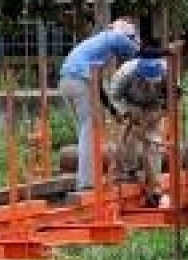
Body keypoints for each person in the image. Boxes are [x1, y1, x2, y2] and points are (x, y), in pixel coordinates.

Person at [59, 18, 140, 189]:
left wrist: (113, 111)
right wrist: (163, 53)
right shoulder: (115, 36)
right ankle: (87, 182)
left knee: (85, 131)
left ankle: (85, 178)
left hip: (66, 81)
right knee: (90, 131)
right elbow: (138, 51)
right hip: (79, 82)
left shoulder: (99, 47)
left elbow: (99, 88)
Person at [108, 57, 169, 206]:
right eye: (147, 81)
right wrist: (125, 114)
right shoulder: (125, 73)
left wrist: (161, 113)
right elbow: (113, 97)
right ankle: (130, 170)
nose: (150, 84)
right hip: (130, 104)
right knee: (128, 138)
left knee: (154, 143)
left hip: (154, 105)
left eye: (154, 81)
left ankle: (154, 185)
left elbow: (174, 97)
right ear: (139, 74)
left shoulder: (168, 71)